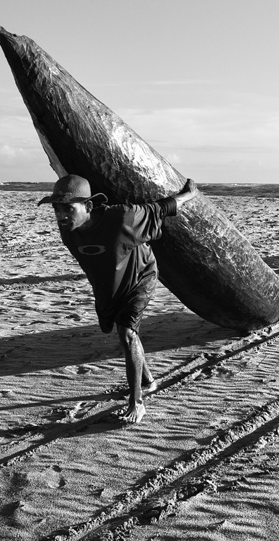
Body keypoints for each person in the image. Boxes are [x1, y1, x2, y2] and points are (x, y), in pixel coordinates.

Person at [39, 174, 197, 424]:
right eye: (56, 209)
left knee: (127, 333)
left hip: (141, 276)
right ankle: (147, 380)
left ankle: (137, 403)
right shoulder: (69, 232)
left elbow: (158, 209)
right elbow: (96, 265)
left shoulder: (123, 218)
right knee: (124, 332)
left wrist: (188, 194)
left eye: (68, 208)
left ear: (88, 206)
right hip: (112, 283)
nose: (61, 216)